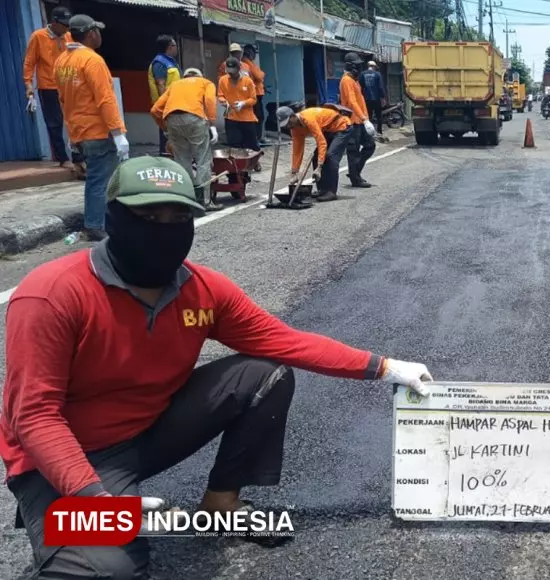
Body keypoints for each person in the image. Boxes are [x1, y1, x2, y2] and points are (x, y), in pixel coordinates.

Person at [1, 155, 434, 580]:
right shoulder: (52, 294)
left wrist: (387, 368)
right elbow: (34, 417)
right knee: (108, 570)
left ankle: (221, 507)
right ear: (114, 218)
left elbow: (287, 342)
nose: (165, 230)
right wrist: (96, 500)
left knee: (265, 375)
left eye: (178, 217)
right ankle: (71, 523)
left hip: (146, 432)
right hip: (58, 459)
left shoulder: (203, 290)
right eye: (149, 216)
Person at [54, 14, 128, 242]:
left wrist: (71, 133)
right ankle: (96, 224)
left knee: (97, 178)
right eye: (97, 31)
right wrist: (118, 134)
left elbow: (63, 99)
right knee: (101, 180)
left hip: (80, 130)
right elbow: (105, 99)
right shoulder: (92, 60)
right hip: (99, 130)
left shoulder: (62, 61)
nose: (100, 35)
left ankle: (102, 221)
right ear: (90, 34)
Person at [22, 6, 84, 176]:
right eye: (63, 25)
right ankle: (63, 158)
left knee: (75, 121)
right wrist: (28, 86)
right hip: (48, 87)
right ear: (54, 22)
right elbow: (29, 62)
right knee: (54, 124)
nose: (66, 28)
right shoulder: (38, 37)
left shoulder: (69, 37)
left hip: (68, 85)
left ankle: (78, 157)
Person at [151, 68, 221, 211]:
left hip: (171, 119)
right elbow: (209, 100)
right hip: (194, 118)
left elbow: (155, 110)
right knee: (202, 159)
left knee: (182, 161)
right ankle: (204, 201)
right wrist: (213, 124)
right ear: (200, 76)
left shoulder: (174, 85)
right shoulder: (206, 83)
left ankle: (187, 199)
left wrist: (164, 127)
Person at [278, 105, 354, 203]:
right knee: (315, 157)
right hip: (328, 130)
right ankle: (322, 189)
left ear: (293, 116)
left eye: (289, 122)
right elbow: (297, 150)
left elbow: (321, 142)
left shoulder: (308, 119)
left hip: (342, 127)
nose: (288, 126)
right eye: (285, 125)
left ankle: (331, 191)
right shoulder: (295, 129)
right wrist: (294, 171)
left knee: (330, 156)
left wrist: (319, 166)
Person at [340, 52, 377, 188]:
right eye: (356, 66)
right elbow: (352, 101)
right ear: (350, 66)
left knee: (370, 146)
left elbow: (360, 101)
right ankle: (355, 178)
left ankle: (354, 172)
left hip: (360, 121)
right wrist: (364, 119)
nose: (359, 68)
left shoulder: (354, 80)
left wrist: (366, 120)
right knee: (353, 151)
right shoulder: (346, 80)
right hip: (352, 121)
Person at [218, 57, 259, 154]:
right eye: (229, 72)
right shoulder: (222, 80)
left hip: (246, 117)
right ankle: (238, 165)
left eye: (233, 72)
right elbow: (220, 95)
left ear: (239, 68)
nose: (231, 74)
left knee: (251, 143)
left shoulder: (247, 81)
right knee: (234, 143)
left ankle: (254, 161)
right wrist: (224, 102)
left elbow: (253, 99)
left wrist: (243, 103)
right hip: (230, 115)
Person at [148, 35, 181, 156]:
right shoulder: (160, 63)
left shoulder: (170, 62)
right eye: (175, 45)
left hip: (175, 104)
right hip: (167, 106)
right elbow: (160, 84)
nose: (176, 48)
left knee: (175, 136)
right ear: (169, 47)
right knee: (167, 137)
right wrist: (165, 105)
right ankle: (166, 160)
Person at [241, 44, 267, 145]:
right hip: (254, 94)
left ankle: (258, 137)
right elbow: (259, 76)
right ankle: (256, 138)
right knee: (257, 117)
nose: (255, 55)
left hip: (257, 94)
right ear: (249, 53)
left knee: (259, 117)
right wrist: (261, 74)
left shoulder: (249, 63)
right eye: (254, 53)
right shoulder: (246, 63)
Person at [359, 60, 387, 136]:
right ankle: (379, 132)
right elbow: (381, 87)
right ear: (374, 67)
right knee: (379, 116)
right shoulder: (377, 74)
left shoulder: (362, 74)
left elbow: (360, 87)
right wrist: (383, 98)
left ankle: (369, 132)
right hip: (376, 99)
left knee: (368, 116)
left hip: (366, 99)